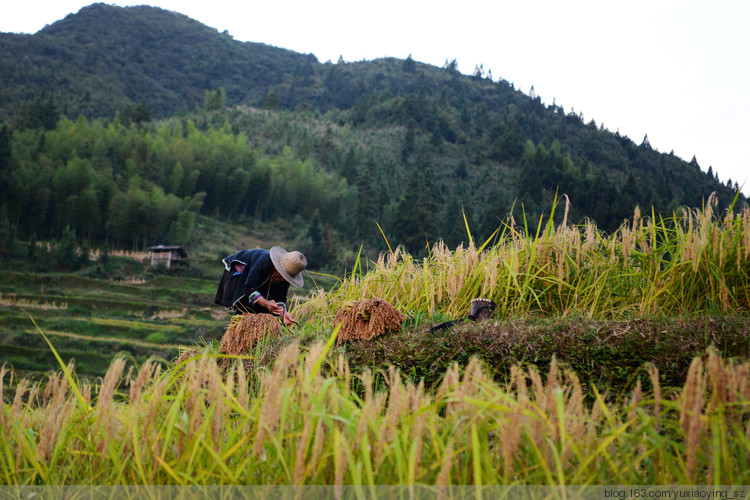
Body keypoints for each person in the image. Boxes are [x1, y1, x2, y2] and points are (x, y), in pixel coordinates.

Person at [214, 246, 307, 326]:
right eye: (280, 277)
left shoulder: (287, 275)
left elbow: (281, 296)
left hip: (260, 277)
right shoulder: (263, 263)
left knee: (265, 306)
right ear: (276, 268)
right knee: (245, 305)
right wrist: (266, 303)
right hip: (241, 272)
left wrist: (283, 313)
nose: (281, 281)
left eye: (285, 279)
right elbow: (248, 289)